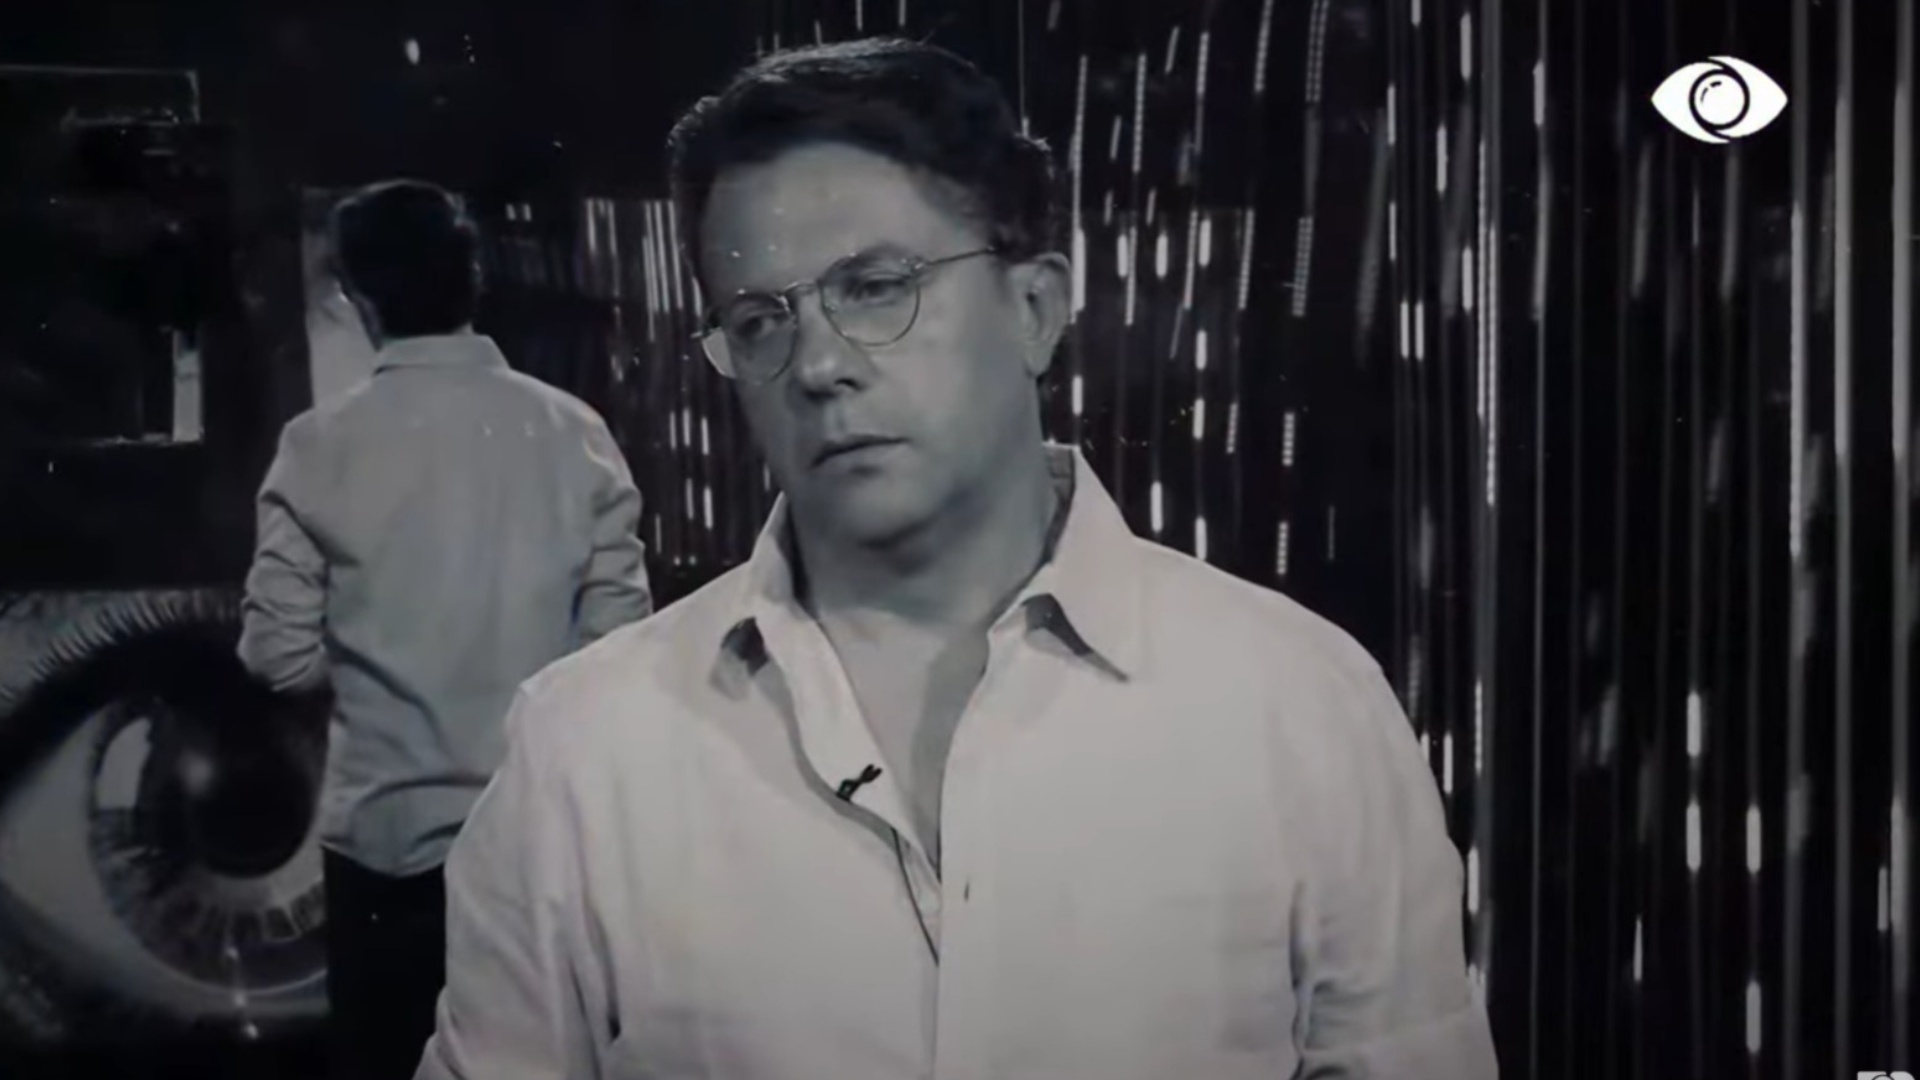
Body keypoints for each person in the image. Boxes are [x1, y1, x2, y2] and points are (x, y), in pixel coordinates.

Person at [416, 39, 1498, 1080]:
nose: (819, 364)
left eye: (876, 286)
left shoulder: (1299, 703)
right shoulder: (585, 748)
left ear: (1034, 309)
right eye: (758, 321)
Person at [237, 179, 653, 1080]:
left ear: (358, 297)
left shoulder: (318, 445)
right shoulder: (574, 432)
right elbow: (622, 651)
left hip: (382, 846)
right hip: (541, 845)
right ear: (473, 280)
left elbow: (276, 657)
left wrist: (376, 669)